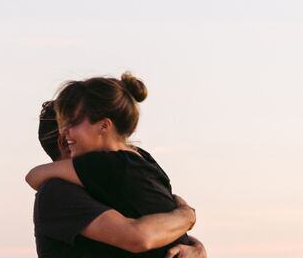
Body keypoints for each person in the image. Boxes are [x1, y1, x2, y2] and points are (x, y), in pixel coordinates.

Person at [29, 74, 206, 258]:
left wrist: (196, 248)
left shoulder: (112, 178)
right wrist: (186, 216)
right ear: (64, 142)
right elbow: (139, 236)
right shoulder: (59, 192)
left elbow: (157, 221)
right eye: (67, 124)